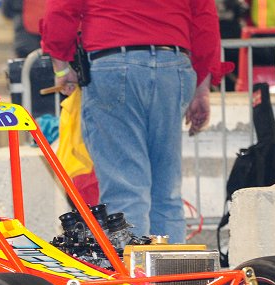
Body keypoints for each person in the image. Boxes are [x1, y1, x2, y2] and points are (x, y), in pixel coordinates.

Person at [41, 0, 232, 243]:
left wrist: (60, 66)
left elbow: (61, 8)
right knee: (166, 194)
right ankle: (170, 278)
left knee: (125, 190)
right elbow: (204, 18)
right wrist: (202, 87)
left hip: (113, 62)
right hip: (172, 65)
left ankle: (133, 278)